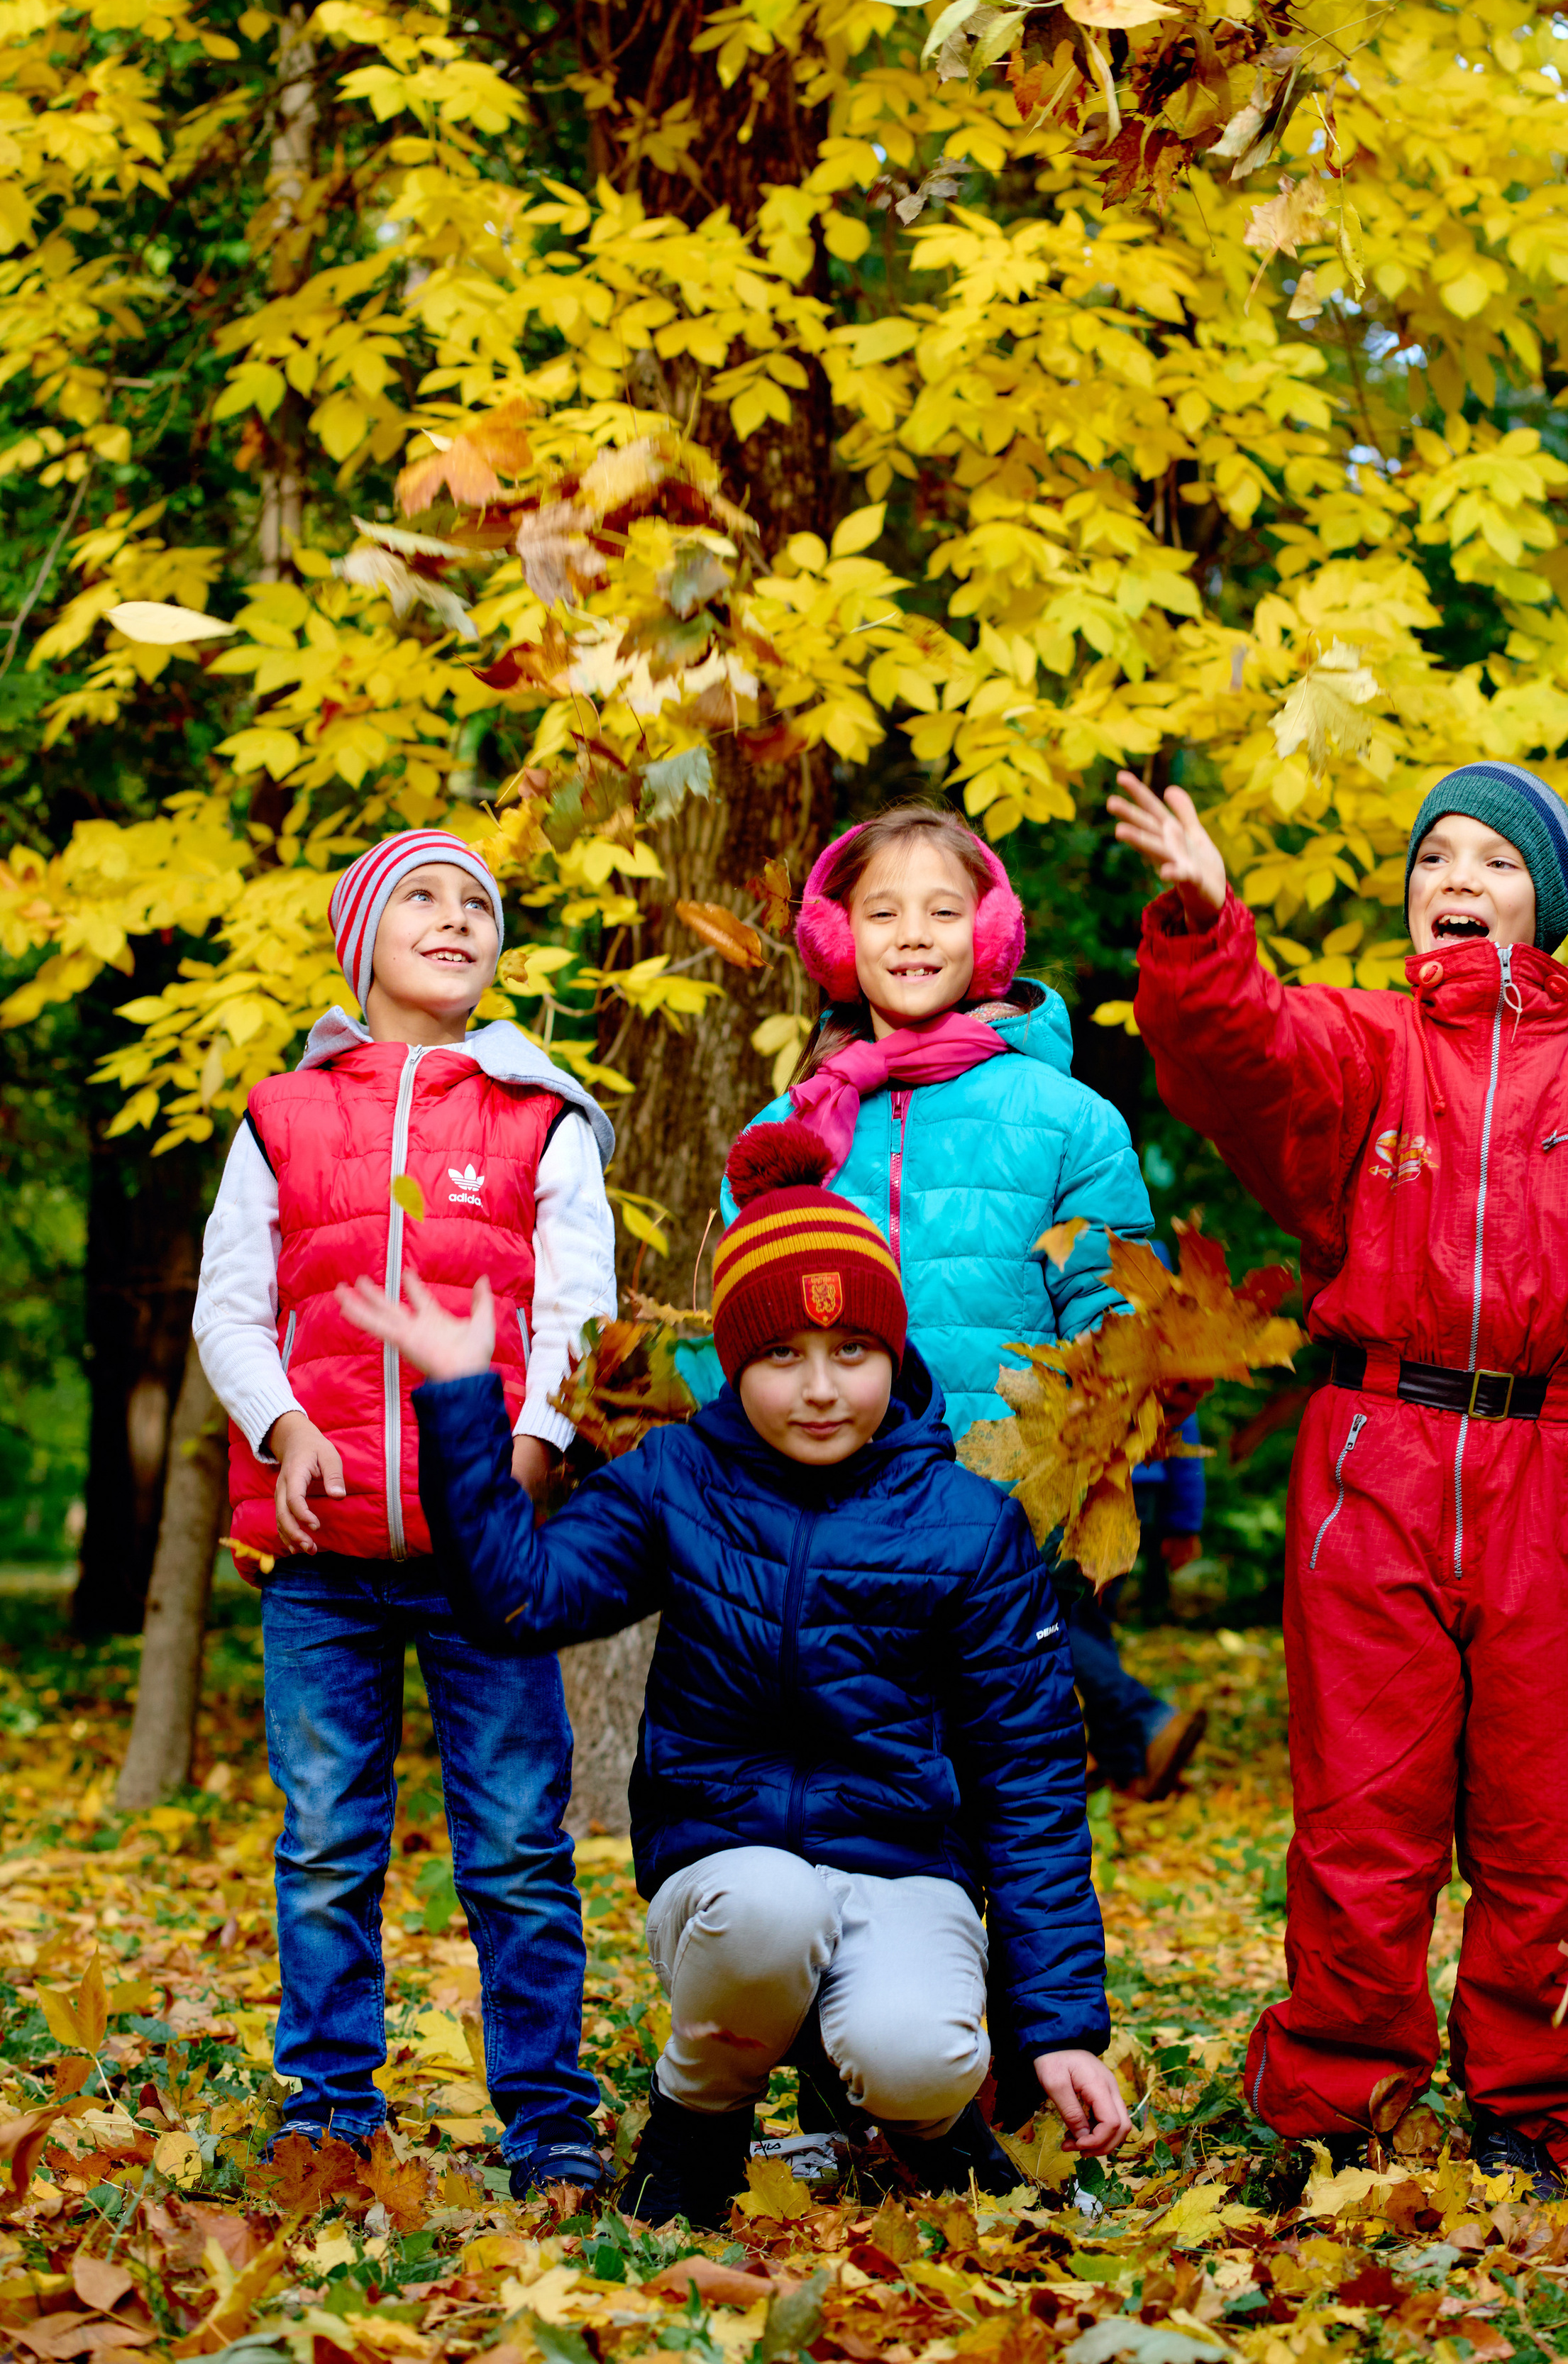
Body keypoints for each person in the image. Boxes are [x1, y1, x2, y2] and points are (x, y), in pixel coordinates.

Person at [1113, 760, 1568, 2194]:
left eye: (1494, 861)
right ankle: (1336, 2098)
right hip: (1375, 1467)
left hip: (1557, 1487)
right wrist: (1207, 924)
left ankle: (1536, 2100)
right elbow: (1234, 1053)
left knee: (1543, 1827)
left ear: (1547, 902)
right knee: (1360, 1818)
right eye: (1435, 857)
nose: (1457, 879)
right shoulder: (1362, 1049)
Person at [343, 1124, 1132, 2227]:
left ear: (895, 1359)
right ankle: (698, 2112)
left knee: (916, 2056)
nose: (820, 1390)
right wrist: (466, 1399)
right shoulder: (678, 1479)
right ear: (737, 1361)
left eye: (852, 1353)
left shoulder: (969, 1526)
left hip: (905, 1872)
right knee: (770, 1902)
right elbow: (518, 1598)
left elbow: (1031, 1785)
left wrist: (1059, 2030)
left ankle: (929, 2122)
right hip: (728, 1873)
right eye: (780, 1358)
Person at [192, 827, 617, 2197]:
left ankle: (548, 2114)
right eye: (421, 898)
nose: (455, 918)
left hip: (488, 1560)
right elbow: (232, 1310)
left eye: (478, 904)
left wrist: (535, 1452)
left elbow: (576, 1311)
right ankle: (328, 2105)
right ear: (360, 939)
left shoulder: (539, 1117)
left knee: (514, 1843)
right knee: (325, 1841)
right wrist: (284, 1426)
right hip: (322, 1558)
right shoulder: (283, 1117)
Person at [705, 803, 1204, 1802]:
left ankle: (1021, 1960)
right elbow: (742, 1325)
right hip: (832, 1515)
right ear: (840, 941)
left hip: (1006, 1520)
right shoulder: (792, 1127)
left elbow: (1110, 1302)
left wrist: (1127, 1380)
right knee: (862, 1793)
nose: (914, 935)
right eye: (883, 913)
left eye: (943, 910)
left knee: (1011, 1796)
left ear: (992, 935)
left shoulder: (1067, 1119)